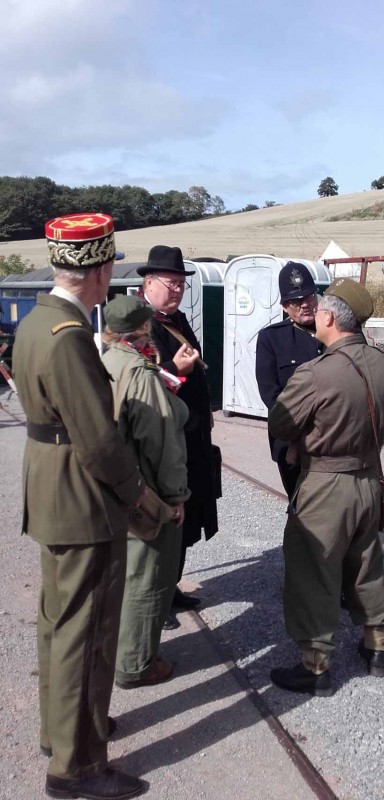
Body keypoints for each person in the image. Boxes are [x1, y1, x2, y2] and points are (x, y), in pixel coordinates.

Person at [12, 214, 145, 800]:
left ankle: (59, 733)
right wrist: (138, 496)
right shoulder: (69, 337)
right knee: (85, 635)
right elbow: (98, 439)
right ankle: (77, 766)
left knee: (58, 623)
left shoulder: (39, 321)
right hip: (82, 499)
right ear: (99, 269)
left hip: (51, 489)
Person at [268, 278, 384, 696]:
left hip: (325, 484)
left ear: (327, 317)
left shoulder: (316, 373)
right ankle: (376, 646)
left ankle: (316, 666)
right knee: (366, 564)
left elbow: (280, 422)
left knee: (314, 570)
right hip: (369, 478)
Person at [101, 295, 190, 687]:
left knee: (123, 576)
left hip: (115, 488)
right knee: (148, 578)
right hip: (146, 492)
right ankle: (137, 664)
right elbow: (162, 442)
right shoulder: (139, 371)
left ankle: (122, 651)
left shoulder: (104, 362)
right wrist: (175, 497)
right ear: (143, 329)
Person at [137, 246, 219, 622]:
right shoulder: (139, 326)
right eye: (171, 284)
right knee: (163, 526)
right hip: (165, 442)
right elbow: (140, 387)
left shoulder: (176, 320)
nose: (177, 290)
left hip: (192, 439)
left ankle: (170, 591)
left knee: (186, 523)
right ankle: (154, 604)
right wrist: (175, 368)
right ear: (148, 283)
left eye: (181, 285)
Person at [255, 261, 323, 498]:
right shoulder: (271, 339)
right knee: (302, 507)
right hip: (292, 443)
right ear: (285, 306)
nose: (305, 304)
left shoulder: (333, 333)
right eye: (296, 301)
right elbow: (271, 396)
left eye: (309, 297)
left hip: (332, 441)